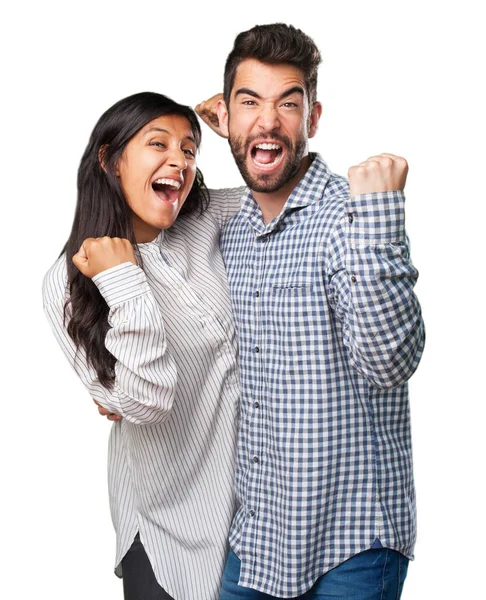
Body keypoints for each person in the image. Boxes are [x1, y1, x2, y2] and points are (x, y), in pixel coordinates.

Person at [196, 24, 425, 600]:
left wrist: (381, 215)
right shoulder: (234, 227)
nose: (268, 120)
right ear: (225, 113)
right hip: (258, 536)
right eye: (250, 102)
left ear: (313, 119)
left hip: (351, 543)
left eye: (287, 105)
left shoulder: (352, 218)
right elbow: (156, 205)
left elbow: (390, 361)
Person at [42, 92, 245, 600]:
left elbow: (287, 200)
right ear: (109, 160)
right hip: (162, 530)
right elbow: (146, 403)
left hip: (257, 517)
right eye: (159, 144)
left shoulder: (206, 219)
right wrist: (123, 282)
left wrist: (243, 134)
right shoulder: (67, 282)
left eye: (190, 149)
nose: (179, 159)